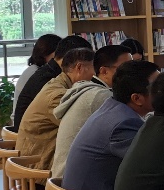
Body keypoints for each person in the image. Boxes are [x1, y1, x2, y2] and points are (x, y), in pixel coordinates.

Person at [58, 60, 160, 190]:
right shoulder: (123, 124)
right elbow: (152, 167)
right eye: (158, 87)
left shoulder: (114, 107)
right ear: (137, 98)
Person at [51, 44, 131, 179]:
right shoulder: (100, 96)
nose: (134, 74)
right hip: (74, 182)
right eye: (126, 69)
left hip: (65, 178)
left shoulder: (87, 89)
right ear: (104, 71)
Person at [16, 47, 95, 171]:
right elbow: (79, 130)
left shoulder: (57, 83)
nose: (95, 74)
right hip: (37, 168)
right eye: (94, 68)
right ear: (79, 67)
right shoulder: (58, 95)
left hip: (36, 159)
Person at [13, 35, 91, 128]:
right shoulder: (49, 81)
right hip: (33, 133)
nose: (93, 72)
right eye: (90, 66)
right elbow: (72, 122)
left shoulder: (49, 72)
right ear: (78, 65)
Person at [12, 34, 61, 115]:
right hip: (24, 120)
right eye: (57, 54)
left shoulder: (36, 70)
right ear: (45, 53)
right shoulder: (36, 73)